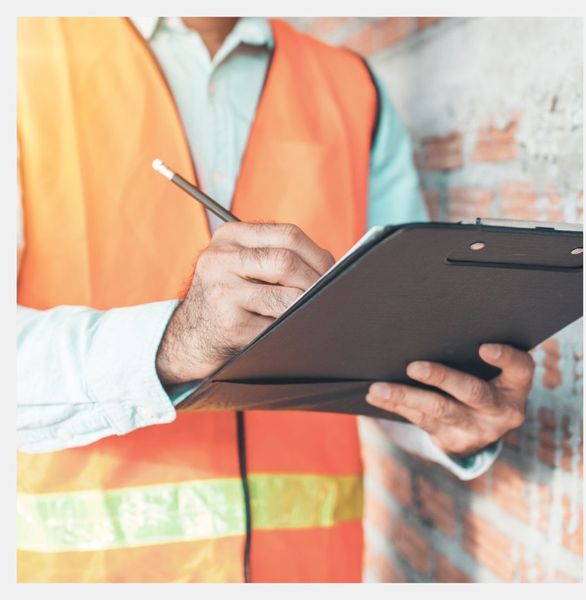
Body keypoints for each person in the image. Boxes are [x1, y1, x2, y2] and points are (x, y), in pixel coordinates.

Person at [16, 17, 534, 583]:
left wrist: (452, 418)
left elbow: (392, 339)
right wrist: (176, 342)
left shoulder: (353, 88)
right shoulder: (22, 58)